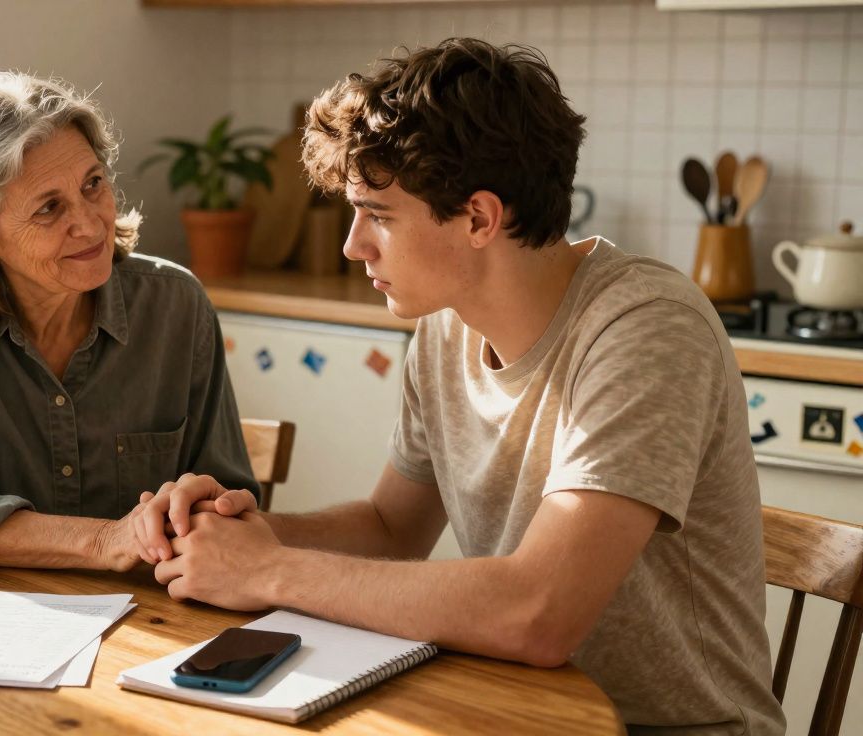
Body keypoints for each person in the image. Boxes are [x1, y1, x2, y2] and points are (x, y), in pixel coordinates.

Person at [131, 39, 785, 734]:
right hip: (515, 712)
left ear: (478, 218)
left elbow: (539, 614)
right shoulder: (447, 328)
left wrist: (267, 573)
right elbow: (390, 530)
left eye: (378, 215)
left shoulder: (646, 329)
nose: (354, 245)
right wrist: (240, 536)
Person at [0, 71, 257, 573]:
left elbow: (229, 504)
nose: (91, 223)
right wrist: (101, 542)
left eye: (93, 184)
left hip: (157, 615)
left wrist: (205, 511)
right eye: (50, 208)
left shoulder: (176, 306)